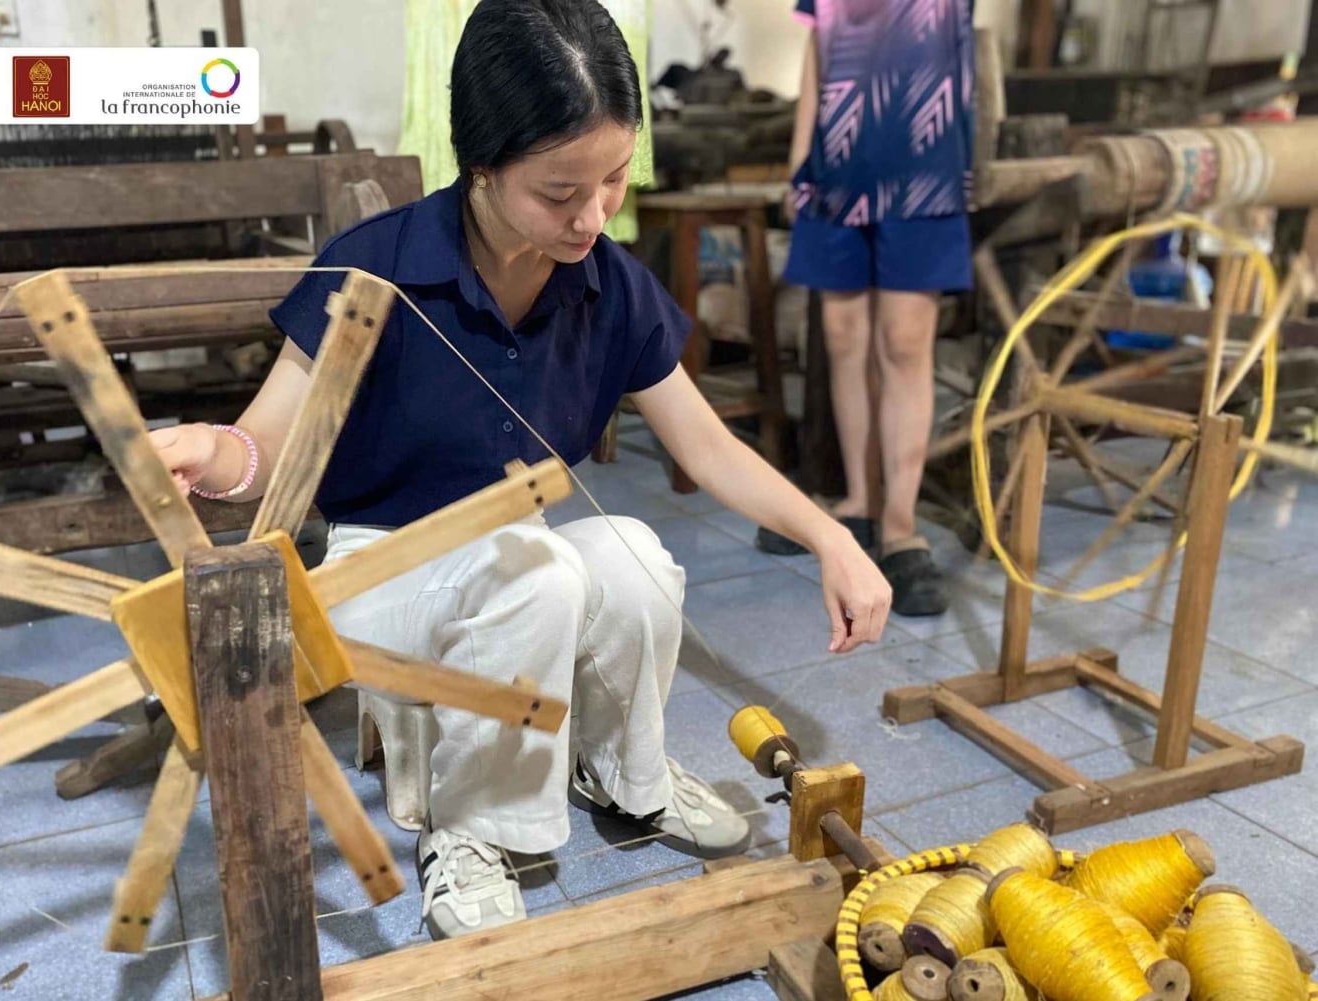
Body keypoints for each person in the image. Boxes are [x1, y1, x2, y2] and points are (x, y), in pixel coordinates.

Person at [149, 0, 890, 941]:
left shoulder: (606, 283)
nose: (593, 215)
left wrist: (831, 538)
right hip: (379, 567)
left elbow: (706, 447)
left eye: (614, 179)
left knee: (631, 555)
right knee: (537, 572)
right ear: (483, 166)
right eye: (560, 191)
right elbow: (263, 451)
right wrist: (208, 452)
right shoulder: (376, 268)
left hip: (513, 552)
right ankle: (467, 830)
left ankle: (625, 775)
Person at [756, 0, 977, 618]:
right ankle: (861, 502)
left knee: (905, 341)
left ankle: (901, 527)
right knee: (843, 336)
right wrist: (799, 161)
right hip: (835, 164)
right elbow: (817, 50)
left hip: (926, 161)